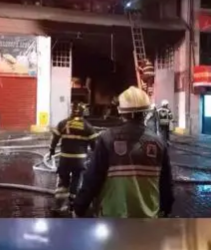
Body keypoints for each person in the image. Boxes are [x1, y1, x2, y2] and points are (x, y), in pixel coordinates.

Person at [73, 86, 174, 218]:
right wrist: (166, 208)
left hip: (113, 216)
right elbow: (166, 183)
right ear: (146, 112)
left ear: (121, 112)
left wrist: (79, 207)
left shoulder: (107, 138)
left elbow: (92, 178)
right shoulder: (159, 143)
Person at [48, 103, 98, 215]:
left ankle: (58, 206)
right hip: (79, 160)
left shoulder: (63, 123)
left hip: (64, 159)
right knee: (77, 180)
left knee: (63, 182)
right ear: (83, 113)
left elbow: (55, 138)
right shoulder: (87, 126)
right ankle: (72, 206)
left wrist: (52, 150)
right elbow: (94, 145)